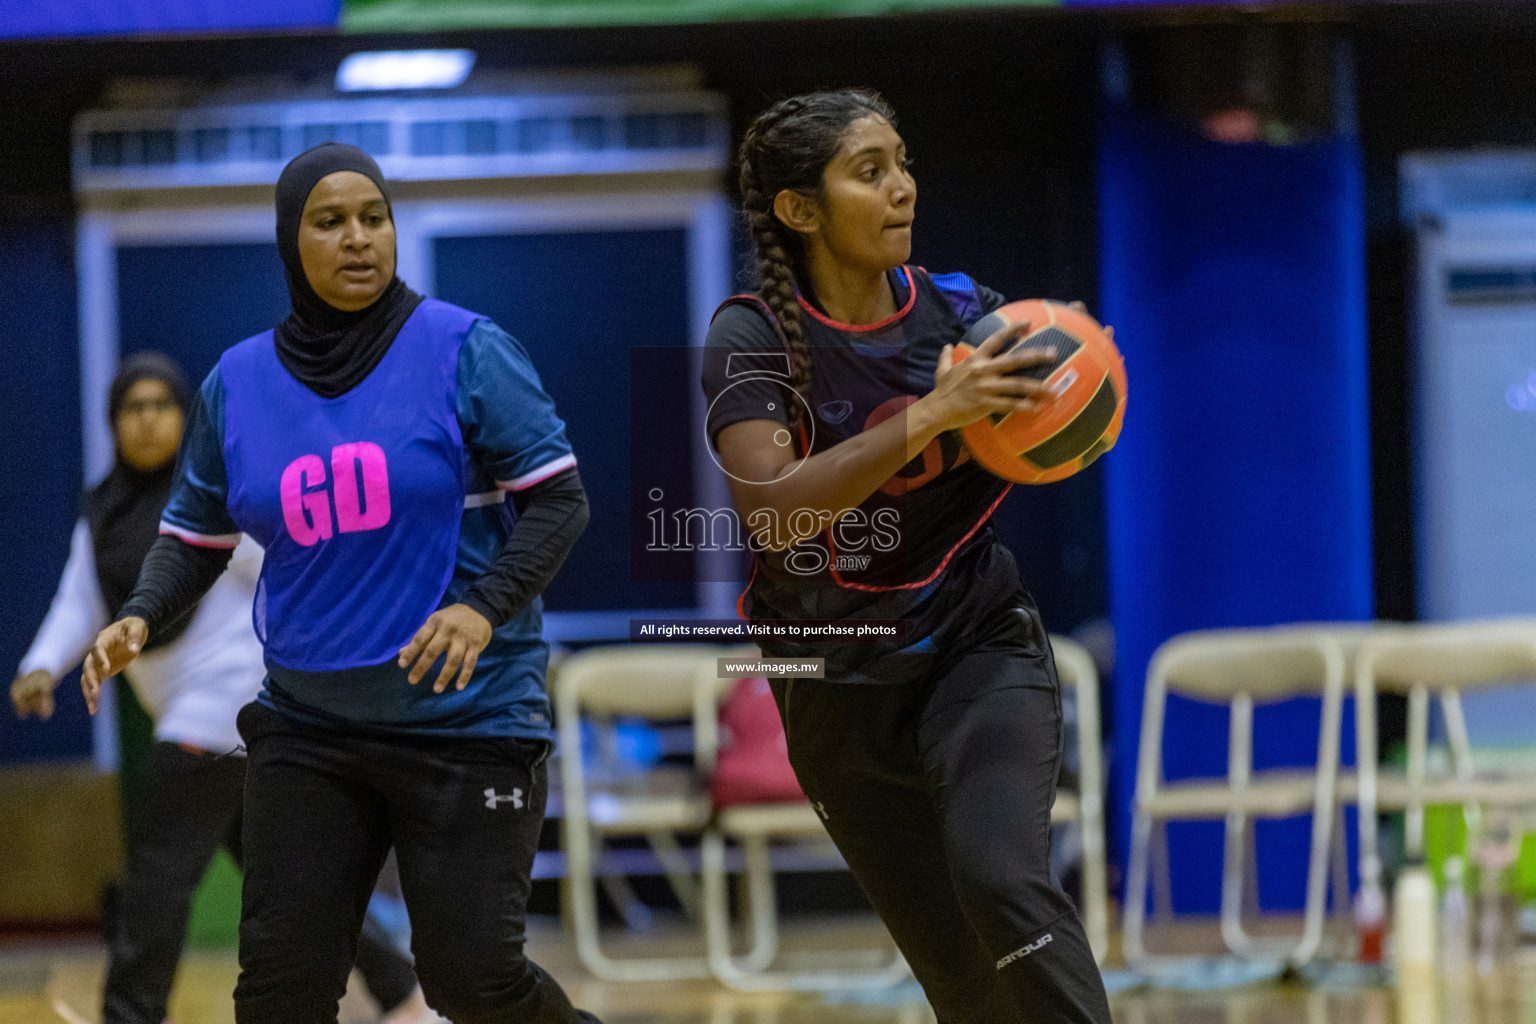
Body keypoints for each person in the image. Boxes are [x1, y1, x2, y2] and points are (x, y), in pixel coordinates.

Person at [77, 143, 598, 1024]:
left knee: (474, 984)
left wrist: (481, 608)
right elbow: (193, 537)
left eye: (374, 217)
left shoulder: (467, 349)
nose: (359, 239)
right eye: (330, 222)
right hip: (310, 727)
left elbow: (561, 503)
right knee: (279, 997)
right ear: (290, 240)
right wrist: (138, 614)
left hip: (465, 723)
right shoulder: (236, 384)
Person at [700, 90, 1114, 1023]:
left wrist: (1080, 365)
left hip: (977, 643)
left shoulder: (966, 314)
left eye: (903, 163)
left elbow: (1068, 393)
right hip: (832, 680)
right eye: (869, 171)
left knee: (1000, 879)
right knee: (962, 982)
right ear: (799, 210)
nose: (902, 190)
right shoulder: (753, 339)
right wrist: (933, 416)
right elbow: (773, 517)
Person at [11, 353, 431, 1024]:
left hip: (231, 706)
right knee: (297, 879)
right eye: (131, 408)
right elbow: (79, 604)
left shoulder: (220, 497)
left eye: (161, 406)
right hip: (188, 711)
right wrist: (40, 667)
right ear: (113, 422)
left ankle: (130, 1013)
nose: (147, 421)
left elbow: (291, 578)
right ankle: (402, 990)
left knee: (157, 870)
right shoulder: (102, 511)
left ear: (186, 416)